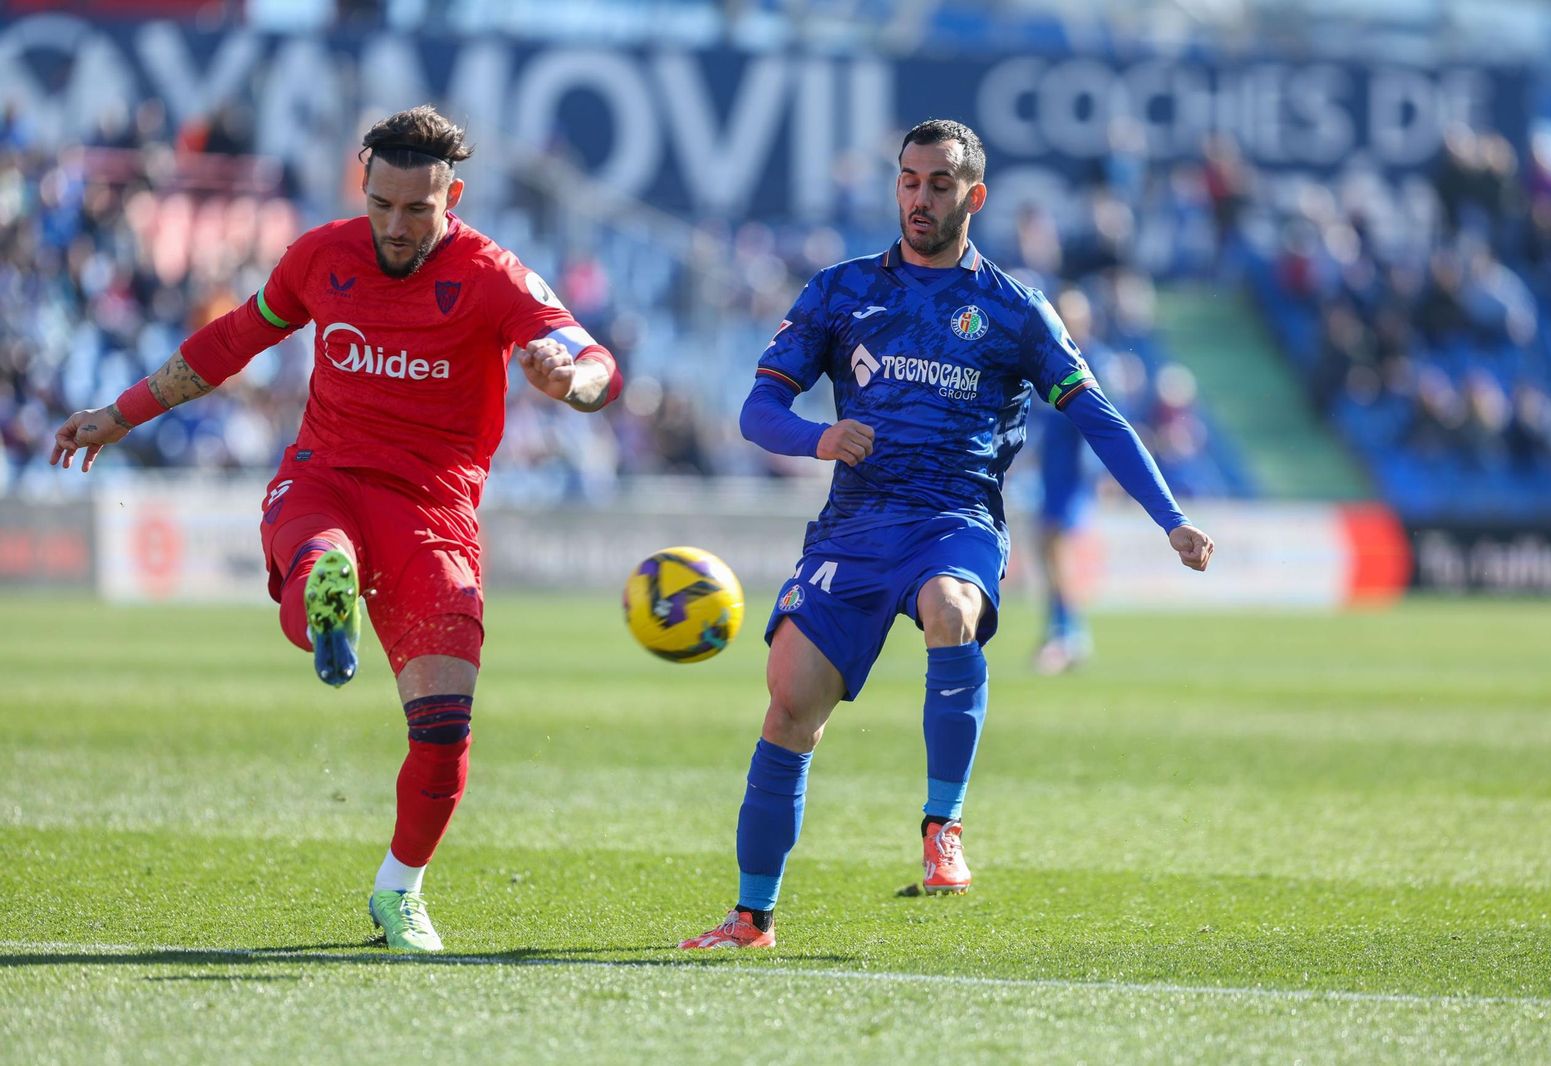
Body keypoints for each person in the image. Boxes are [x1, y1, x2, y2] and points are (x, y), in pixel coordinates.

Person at [49, 105, 622, 953]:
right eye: (381, 204)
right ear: (363, 187)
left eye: (416, 210)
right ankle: (330, 595)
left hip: (434, 517)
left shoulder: (494, 275)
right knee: (322, 551)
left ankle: (398, 891)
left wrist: (566, 379)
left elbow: (602, 368)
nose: (394, 226)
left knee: (444, 732)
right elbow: (234, 339)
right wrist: (122, 414)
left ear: (452, 196)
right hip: (325, 482)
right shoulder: (321, 256)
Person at [678, 119, 1213, 950]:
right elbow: (758, 410)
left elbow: (1099, 417)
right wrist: (817, 438)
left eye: (937, 184)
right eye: (908, 181)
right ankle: (751, 918)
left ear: (975, 196)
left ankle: (943, 827)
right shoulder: (841, 290)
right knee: (789, 706)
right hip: (853, 529)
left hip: (953, 517)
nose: (919, 199)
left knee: (952, 609)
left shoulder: (1013, 310)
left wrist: (1171, 517)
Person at [1032, 288, 1104, 675]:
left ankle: (1069, 635)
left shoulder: (1093, 360)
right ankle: (1058, 630)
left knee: (1057, 553)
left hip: (1072, 475)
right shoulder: (1049, 356)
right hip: (1052, 472)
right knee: (1047, 551)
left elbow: (1101, 422)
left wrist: (1094, 473)